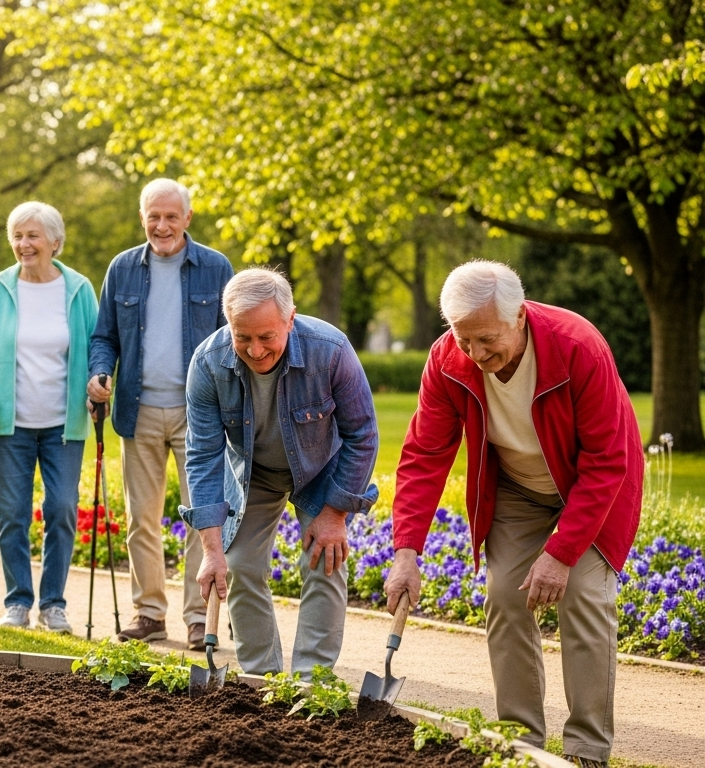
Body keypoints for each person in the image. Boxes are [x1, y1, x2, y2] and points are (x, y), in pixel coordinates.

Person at [385, 261, 640, 768]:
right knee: (505, 596)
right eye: (463, 340)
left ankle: (586, 750)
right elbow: (424, 455)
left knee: (584, 598)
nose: (476, 355)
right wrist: (406, 551)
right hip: (519, 489)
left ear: (519, 316)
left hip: (591, 487)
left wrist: (562, 554)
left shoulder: (577, 346)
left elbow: (607, 460)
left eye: (486, 339)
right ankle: (519, 742)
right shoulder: (446, 361)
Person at [184, 267, 378, 677]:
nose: (255, 350)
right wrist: (211, 548)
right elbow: (202, 454)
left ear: (290, 320)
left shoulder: (331, 349)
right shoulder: (207, 363)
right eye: (243, 337)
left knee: (326, 558)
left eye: (266, 336)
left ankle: (312, 681)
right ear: (228, 325)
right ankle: (260, 679)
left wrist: (335, 514)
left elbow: (362, 433)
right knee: (237, 565)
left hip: (321, 468)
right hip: (253, 472)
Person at [87, 178, 234, 650]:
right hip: (139, 409)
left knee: (203, 517)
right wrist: (99, 372)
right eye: (154, 215)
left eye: (172, 216)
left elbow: (231, 340)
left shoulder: (215, 268)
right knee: (141, 520)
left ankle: (197, 617)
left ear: (187, 218)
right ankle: (149, 612)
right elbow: (103, 336)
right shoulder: (123, 268)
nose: (162, 225)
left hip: (201, 415)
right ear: (142, 217)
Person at [0, 201, 98, 633]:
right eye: (18, 235)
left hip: (64, 425)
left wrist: (99, 379)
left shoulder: (78, 290)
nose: (24, 244)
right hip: (9, 425)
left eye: (33, 235)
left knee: (60, 509)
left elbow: (98, 348)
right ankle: (18, 601)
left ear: (55, 242)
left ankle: (53, 604)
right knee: (13, 514)